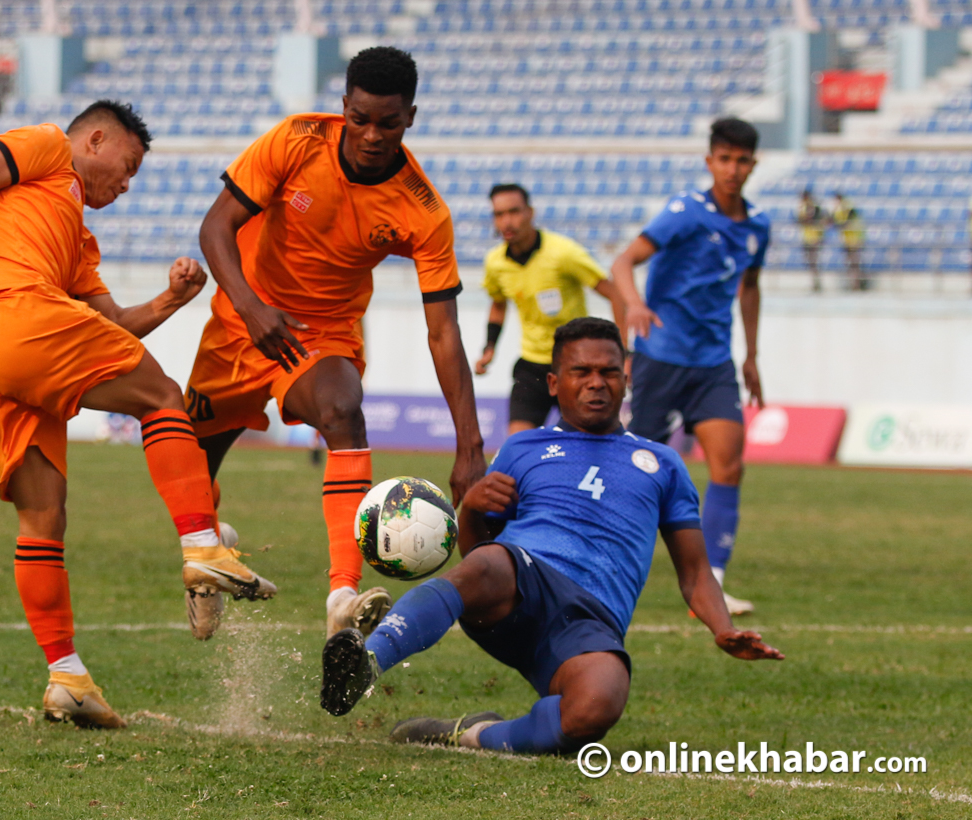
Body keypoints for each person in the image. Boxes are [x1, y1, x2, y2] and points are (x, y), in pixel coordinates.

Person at [0, 100, 276, 729]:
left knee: (43, 517)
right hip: (15, 313)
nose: (126, 185)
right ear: (95, 140)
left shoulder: (74, 236)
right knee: (162, 395)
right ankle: (203, 543)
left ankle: (67, 677)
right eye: (128, 167)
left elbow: (114, 324)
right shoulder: (48, 145)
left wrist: (173, 299)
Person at [318, 318, 783, 753]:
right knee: (490, 563)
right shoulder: (523, 448)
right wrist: (473, 508)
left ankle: (473, 734)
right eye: (582, 372)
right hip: (523, 581)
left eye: (609, 372)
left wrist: (723, 628)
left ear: (626, 380)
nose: (597, 382)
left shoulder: (663, 463)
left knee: (595, 708)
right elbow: (477, 557)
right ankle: (366, 664)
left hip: (591, 619)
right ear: (555, 383)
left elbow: (696, 572)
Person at [188, 46, 485, 639]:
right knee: (188, 470)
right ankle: (209, 549)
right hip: (239, 323)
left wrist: (469, 445)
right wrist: (251, 307)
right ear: (344, 106)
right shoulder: (296, 141)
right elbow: (215, 226)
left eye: (389, 123)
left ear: (411, 117)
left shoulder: (423, 210)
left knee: (344, 411)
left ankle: (342, 597)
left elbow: (443, 331)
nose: (373, 135)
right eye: (360, 119)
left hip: (318, 338)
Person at [609, 117, 770, 616]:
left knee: (730, 464)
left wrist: (751, 354)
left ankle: (712, 585)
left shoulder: (758, 225)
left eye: (741, 161)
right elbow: (623, 262)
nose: (733, 169)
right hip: (661, 357)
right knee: (637, 467)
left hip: (714, 364)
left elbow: (750, 287)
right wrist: (635, 306)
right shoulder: (684, 212)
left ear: (753, 165)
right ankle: (606, 559)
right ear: (709, 162)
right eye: (724, 159)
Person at [473, 182, 625, 435]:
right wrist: (489, 348)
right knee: (518, 444)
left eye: (514, 211)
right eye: (499, 214)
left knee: (590, 442)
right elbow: (498, 304)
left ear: (530, 212)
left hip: (575, 365)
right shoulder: (495, 262)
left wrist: (623, 351)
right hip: (532, 365)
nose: (507, 221)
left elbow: (615, 295)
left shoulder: (563, 253)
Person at [831, 194, 866, 290]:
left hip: (855, 238)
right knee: (851, 262)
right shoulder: (840, 210)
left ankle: (857, 283)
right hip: (847, 239)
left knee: (854, 262)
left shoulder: (848, 208)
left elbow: (847, 223)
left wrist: (838, 225)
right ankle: (854, 283)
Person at [797, 187, 824, 292]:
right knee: (811, 261)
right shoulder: (805, 207)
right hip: (807, 236)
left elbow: (810, 220)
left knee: (814, 261)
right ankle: (815, 282)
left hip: (814, 237)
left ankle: (816, 282)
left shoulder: (812, 207)